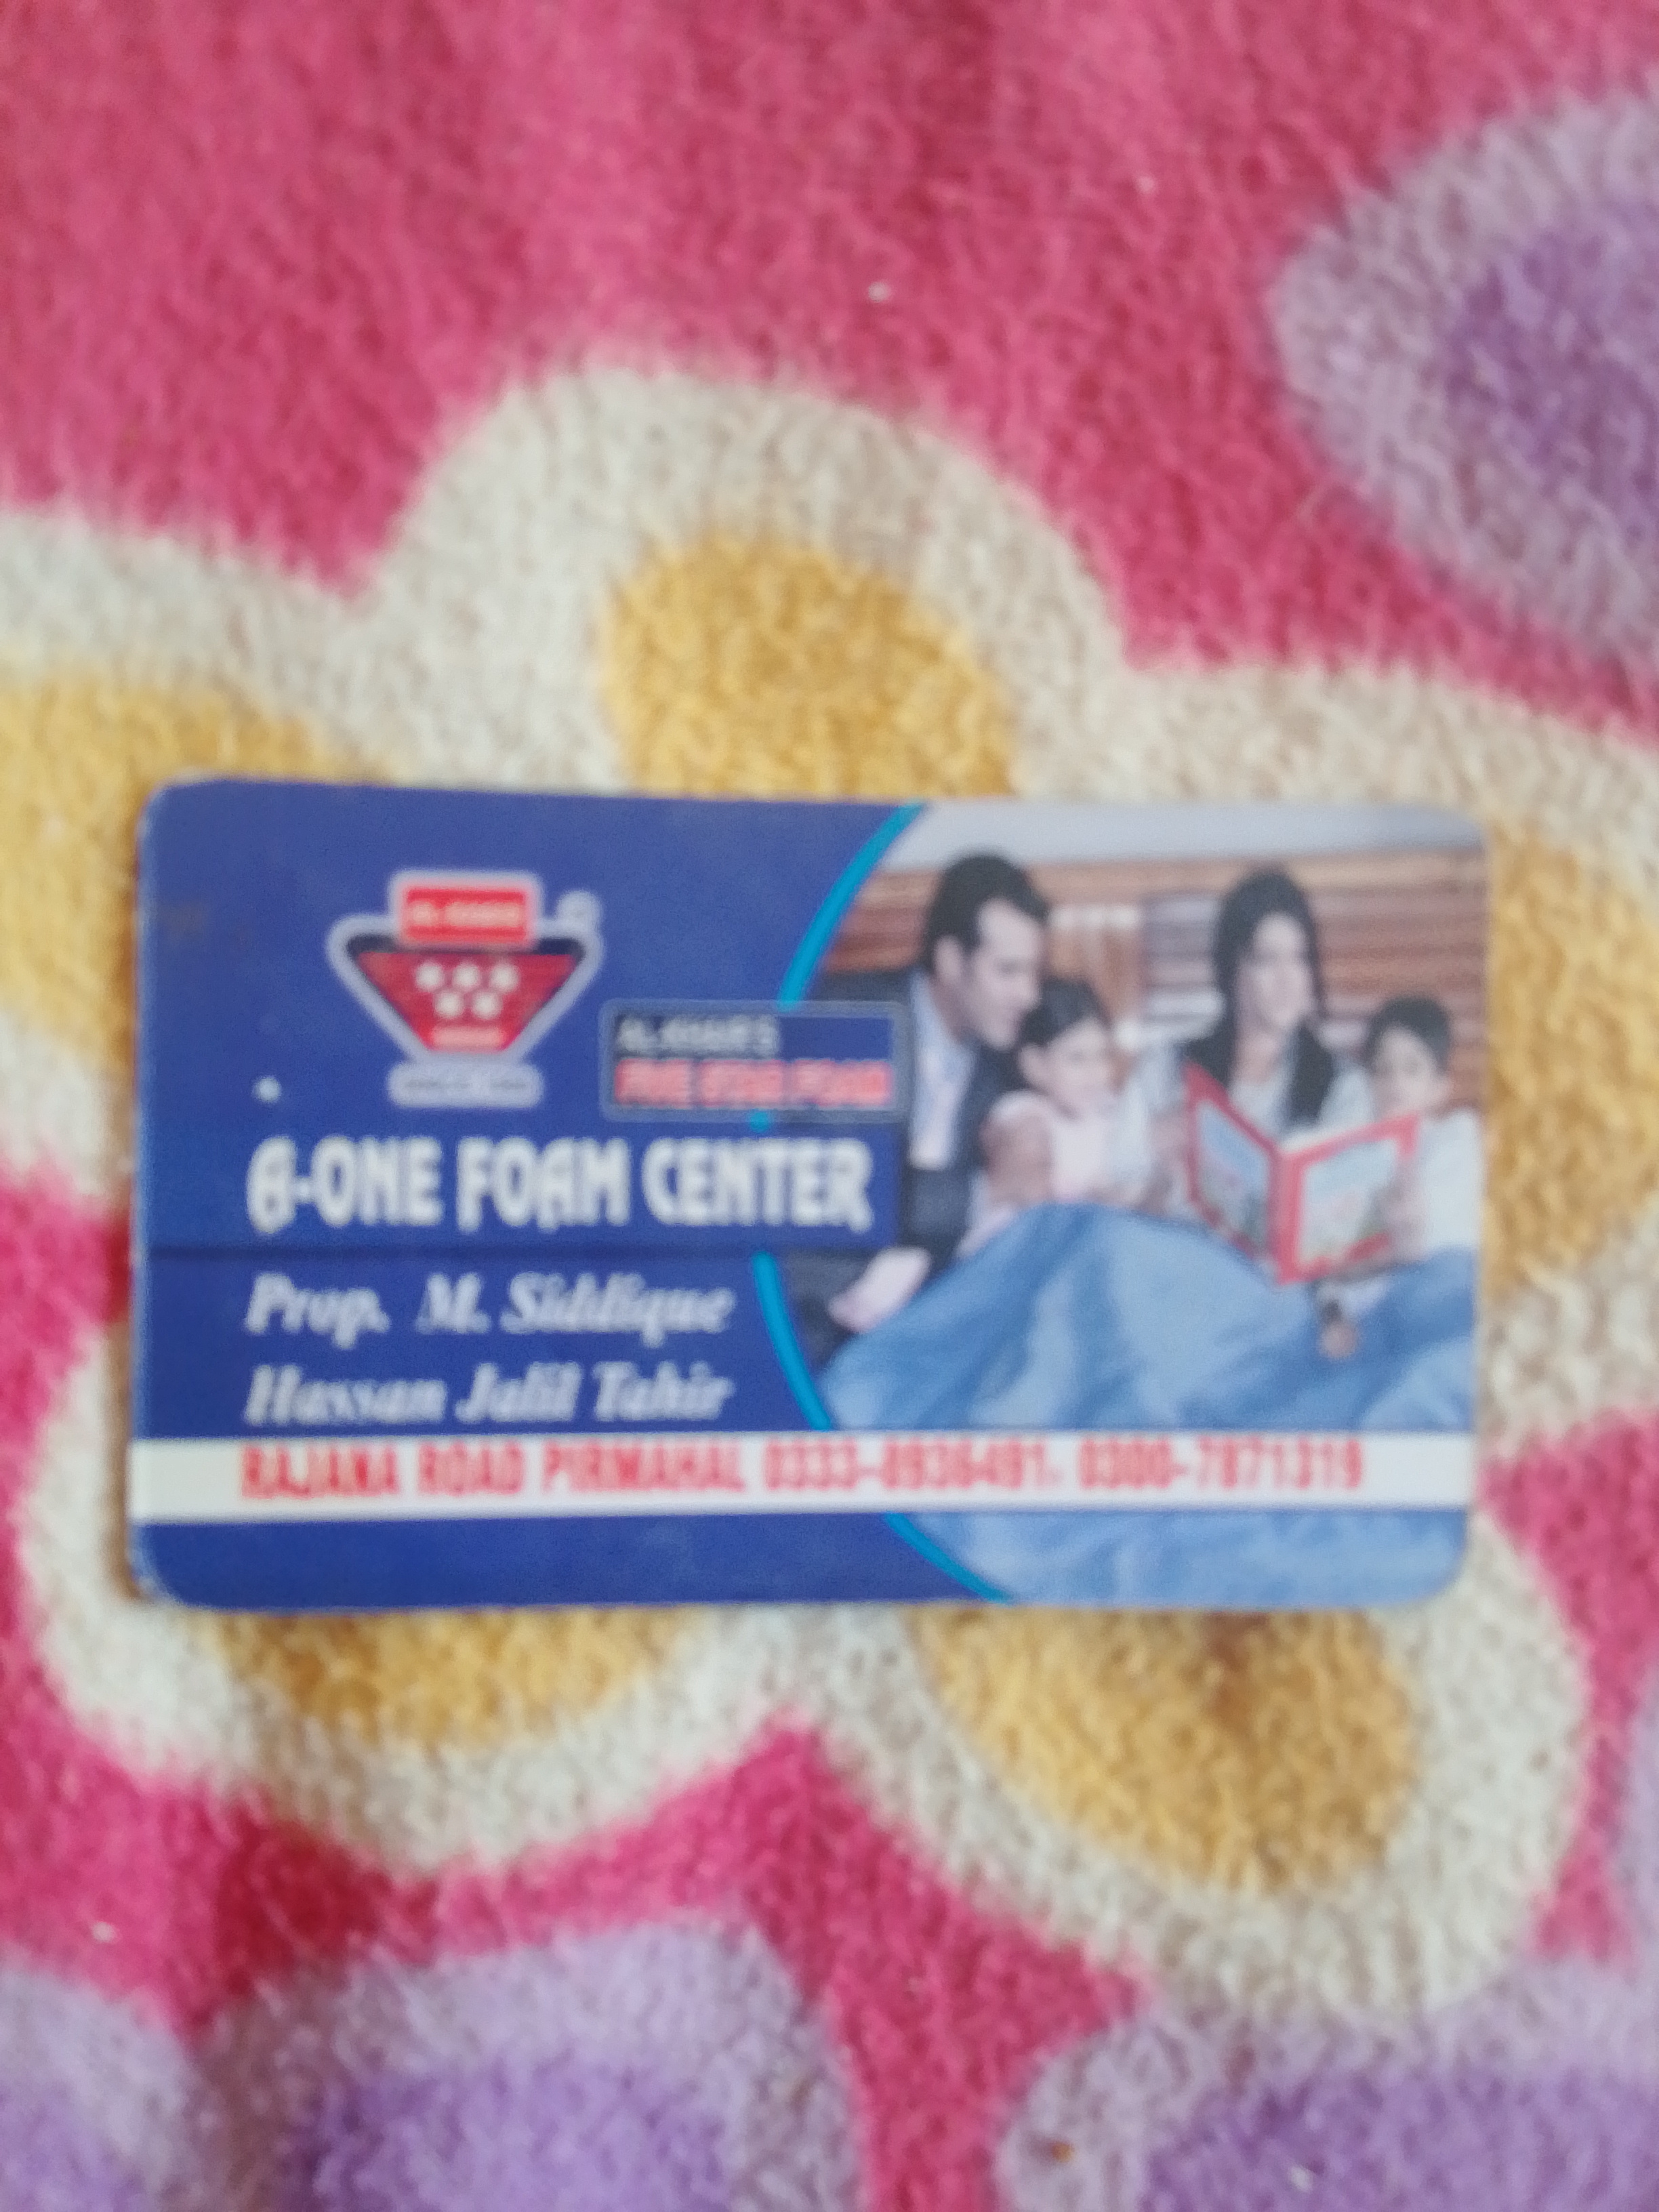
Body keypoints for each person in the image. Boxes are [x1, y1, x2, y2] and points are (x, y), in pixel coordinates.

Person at [786, 852, 1048, 1366]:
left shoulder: (1002, 1059)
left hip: (920, 1337)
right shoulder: (849, 1024)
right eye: (1009, 971)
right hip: (809, 1326)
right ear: (951, 962)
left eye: (1034, 972)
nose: (1029, 995)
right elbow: (838, 1188)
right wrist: (985, 1190)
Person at [1157, 866, 1372, 1147]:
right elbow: (1120, 1165)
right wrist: (1155, 1144)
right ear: (1232, 970)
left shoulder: (1342, 1085)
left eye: (1299, 959)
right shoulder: (1169, 1068)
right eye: (1267, 959)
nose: (1287, 980)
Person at [1317, 994, 1483, 1358]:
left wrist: (1351, 1266)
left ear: (1440, 1088)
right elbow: (1324, 1272)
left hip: (1435, 1298)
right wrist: (1332, 1317)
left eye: (1412, 1069)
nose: (1395, 1081)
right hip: (1367, 1320)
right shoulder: (1352, 1155)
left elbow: (1420, 1248)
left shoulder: (1454, 1140)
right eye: (1383, 1069)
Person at [962, 977, 1155, 1253]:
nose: (1094, 1073)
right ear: (1036, 1066)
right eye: (1077, 1058)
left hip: (1090, 1244)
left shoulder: (1109, 1114)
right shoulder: (1026, 1116)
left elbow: (1133, 1172)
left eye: (1102, 1056)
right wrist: (1100, 1197)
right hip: (1023, 1246)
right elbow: (1038, 1196)